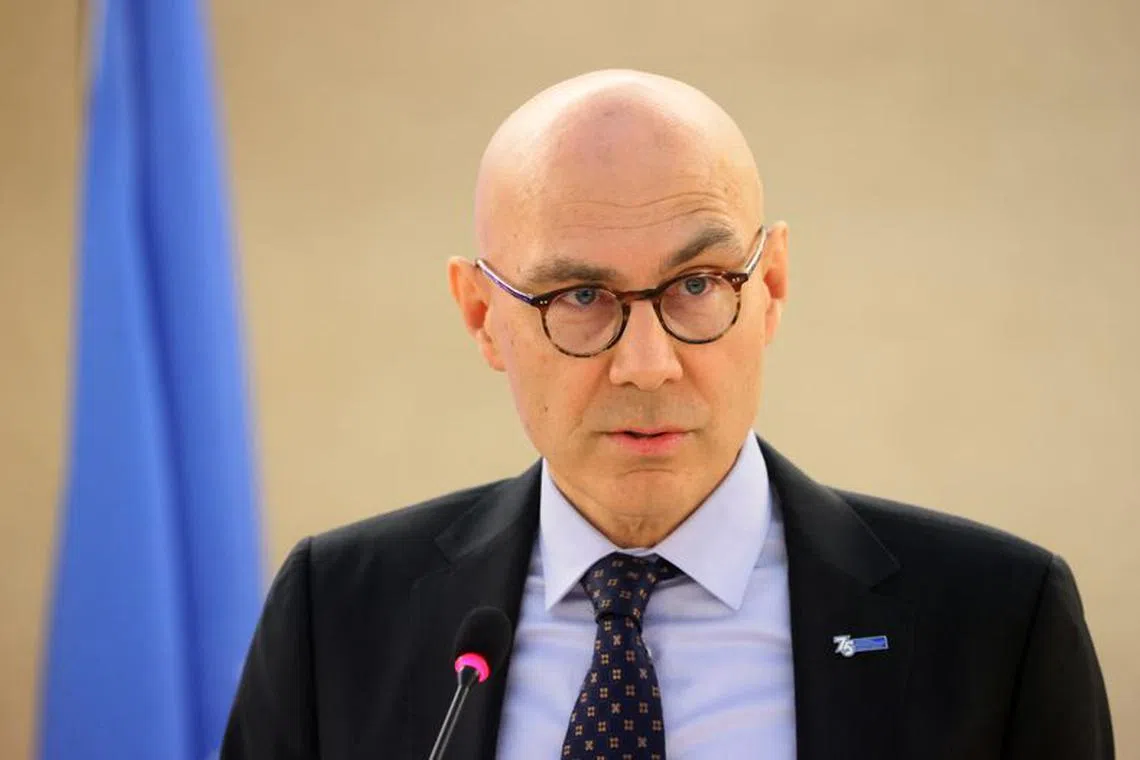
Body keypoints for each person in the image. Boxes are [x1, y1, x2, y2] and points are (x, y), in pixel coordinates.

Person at [221, 69, 1113, 759]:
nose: (646, 365)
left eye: (697, 285)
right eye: (579, 295)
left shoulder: (996, 620)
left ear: (770, 288)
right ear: (482, 316)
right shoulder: (336, 613)